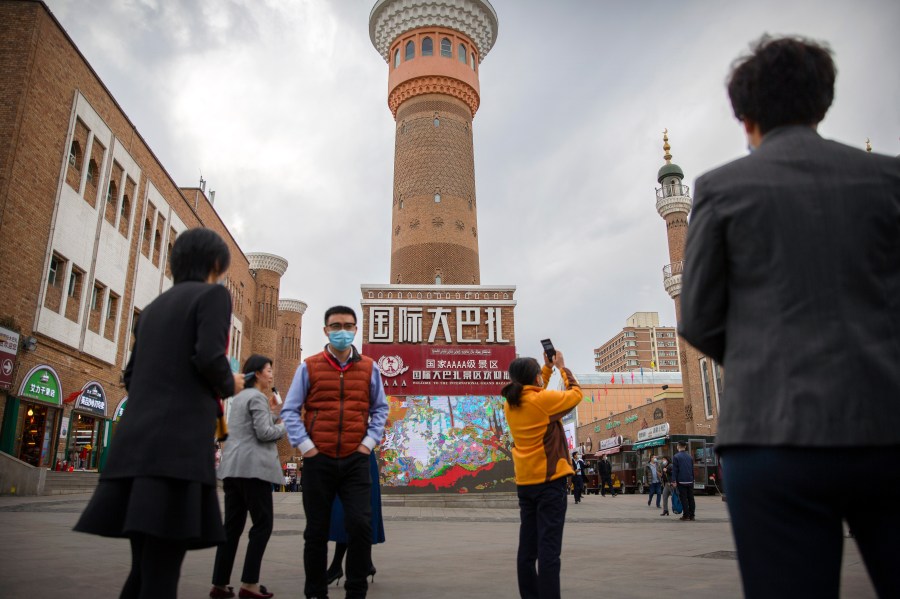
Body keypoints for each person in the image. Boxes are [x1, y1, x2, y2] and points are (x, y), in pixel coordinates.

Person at [679, 34, 900, 598]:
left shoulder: (723, 188)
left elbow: (699, 316)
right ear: (822, 102)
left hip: (770, 435)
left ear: (744, 114)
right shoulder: (888, 180)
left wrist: (761, 360)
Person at [74, 228, 244, 598]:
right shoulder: (213, 296)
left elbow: (131, 375)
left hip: (134, 448)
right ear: (216, 264)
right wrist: (232, 383)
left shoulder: (152, 309)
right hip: (176, 453)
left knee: (143, 569)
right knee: (163, 570)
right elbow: (209, 358)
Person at [281, 306, 389, 599]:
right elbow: (290, 410)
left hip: (356, 459)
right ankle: (316, 592)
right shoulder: (310, 366)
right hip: (320, 459)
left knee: (360, 525)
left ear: (356, 329)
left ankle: (356, 591)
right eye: (336, 325)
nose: (342, 330)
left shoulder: (369, 367)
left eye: (348, 325)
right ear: (326, 330)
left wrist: (368, 443)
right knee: (315, 531)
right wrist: (307, 447)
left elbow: (380, 408)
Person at [502, 350, 582, 599]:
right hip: (550, 484)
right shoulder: (543, 401)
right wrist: (563, 368)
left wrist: (545, 370)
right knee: (549, 552)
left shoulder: (510, 403)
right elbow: (576, 395)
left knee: (527, 550)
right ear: (535, 378)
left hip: (526, 484)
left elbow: (537, 392)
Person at [210, 355, 286, 599]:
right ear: (256, 374)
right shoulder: (256, 397)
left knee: (231, 528)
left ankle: (220, 583)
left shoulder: (241, 397)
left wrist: (273, 413)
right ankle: (250, 583)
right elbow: (265, 434)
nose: (271, 374)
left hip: (234, 470)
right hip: (254, 471)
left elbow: (251, 430)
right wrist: (287, 423)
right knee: (262, 525)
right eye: (268, 369)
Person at [326, 452, 385, 586]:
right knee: (350, 512)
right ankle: (366, 563)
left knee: (356, 511)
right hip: (345, 456)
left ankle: (337, 566)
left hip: (359, 457)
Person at [672, 442, 695, 521]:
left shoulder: (676, 456)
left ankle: (686, 515)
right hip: (690, 480)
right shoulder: (690, 457)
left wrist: (674, 481)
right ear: (685, 447)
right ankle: (692, 515)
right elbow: (692, 469)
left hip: (681, 481)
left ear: (678, 446)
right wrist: (693, 479)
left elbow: (675, 470)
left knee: (684, 499)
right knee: (691, 498)